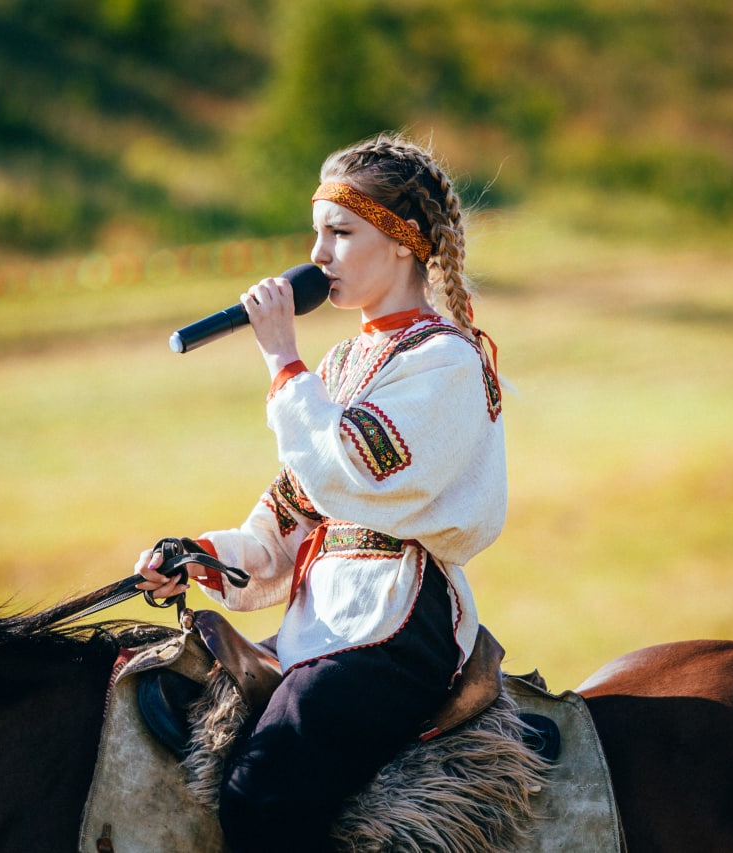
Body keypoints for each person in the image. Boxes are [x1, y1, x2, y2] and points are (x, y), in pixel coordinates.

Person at [134, 132, 506, 853]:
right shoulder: (342, 364)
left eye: (340, 232)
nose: (318, 255)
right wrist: (196, 554)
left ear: (404, 243)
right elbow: (285, 519)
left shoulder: (444, 361)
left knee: (259, 794)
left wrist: (282, 360)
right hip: (328, 626)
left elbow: (352, 470)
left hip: (394, 629)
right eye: (316, 233)